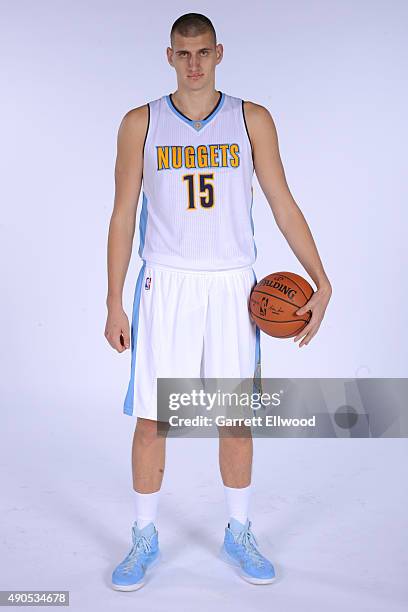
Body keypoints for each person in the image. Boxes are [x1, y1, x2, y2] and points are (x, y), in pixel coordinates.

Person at [104, 12, 332, 591]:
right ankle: (144, 534)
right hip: (166, 282)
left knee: (234, 417)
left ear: (220, 52)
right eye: (184, 54)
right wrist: (113, 299)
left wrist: (320, 277)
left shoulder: (251, 119)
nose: (195, 64)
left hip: (233, 285)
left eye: (203, 52)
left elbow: (282, 202)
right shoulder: (141, 122)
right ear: (169, 56)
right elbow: (122, 215)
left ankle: (238, 529)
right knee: (155, 419)